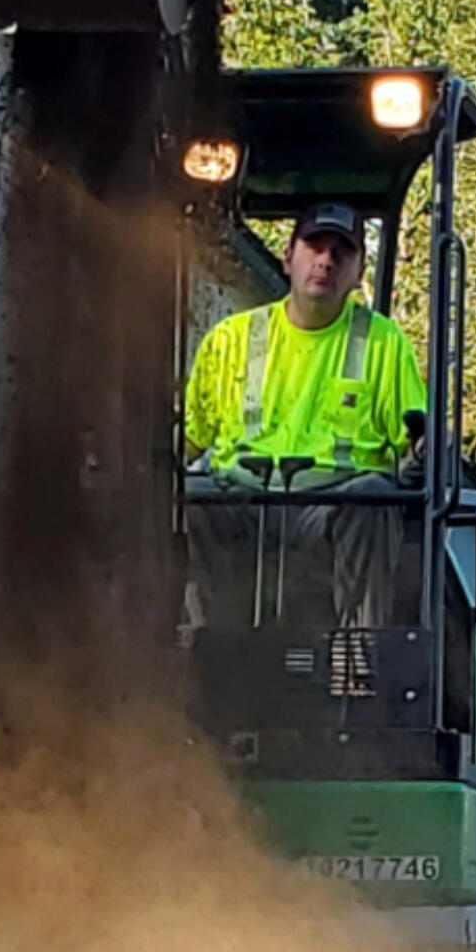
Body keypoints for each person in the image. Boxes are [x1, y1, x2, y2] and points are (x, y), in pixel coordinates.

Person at [184, 202, 425, 631]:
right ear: (288, 256)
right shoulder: (231, 341)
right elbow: (190, 441)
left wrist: (426, 451)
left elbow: (416, 438)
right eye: (315, 245)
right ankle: (198, 643)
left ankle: (356, 656)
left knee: (375, 494)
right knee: (186, 492)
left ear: (357, 273)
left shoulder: (385, 345)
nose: (326, 260)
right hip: (239, 500)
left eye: (342, 251)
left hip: (331, 509)